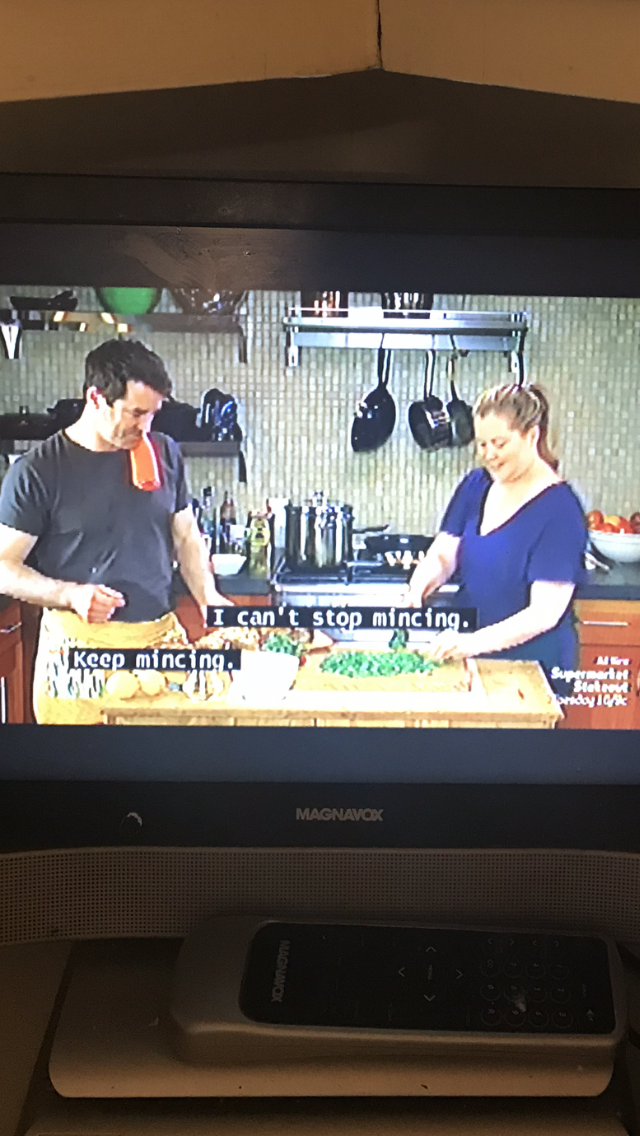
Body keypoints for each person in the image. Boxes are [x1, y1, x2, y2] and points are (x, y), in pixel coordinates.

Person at [0, 339, 231, 723]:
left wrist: (208, 597)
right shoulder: (37, 471)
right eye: (136, 413)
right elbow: (3, 567)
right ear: (96, 398)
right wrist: (69, 593)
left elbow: (186, 535)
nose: (146, 427)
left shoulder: (162, 452)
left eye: (153, 414)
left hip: (159, 645)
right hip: (79, 650)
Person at [406, 383, 587, 672]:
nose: (488, 454)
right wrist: (420, 584)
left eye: (499, 443)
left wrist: (471, 643)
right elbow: (443, 555)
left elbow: (545, 613)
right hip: (473, 658)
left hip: (534, 666)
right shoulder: (476, 485)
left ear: (531, 436)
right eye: (482, 444)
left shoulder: (560, 510)